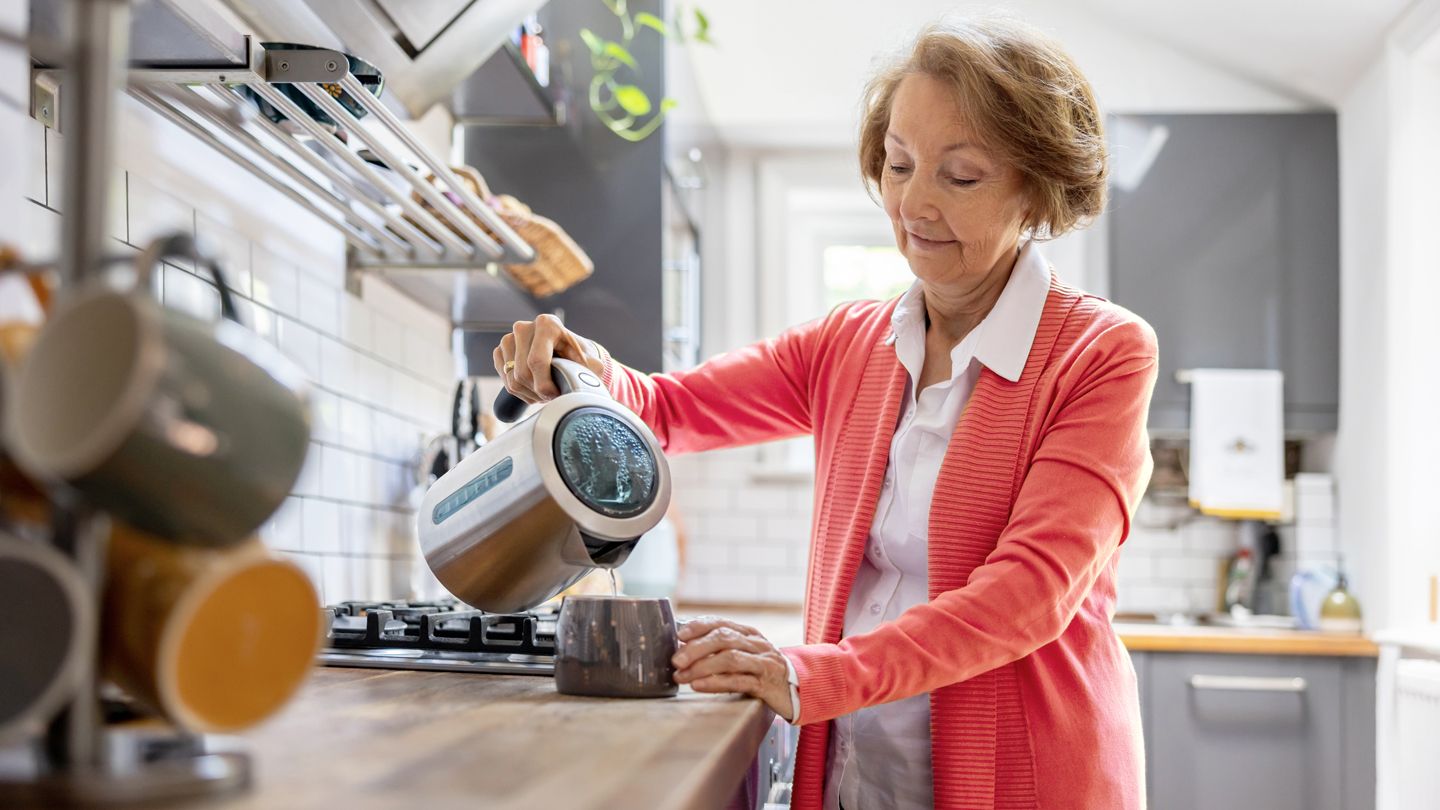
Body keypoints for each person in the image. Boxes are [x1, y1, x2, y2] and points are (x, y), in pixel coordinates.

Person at [496, 16, 1156, 810]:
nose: (913, 202)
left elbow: (1029, 593)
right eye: (899, 164)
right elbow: (668, 408)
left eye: (962, 175)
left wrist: (812, 671)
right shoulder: (852, 341)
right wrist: (581, 368)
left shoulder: (1102, 352)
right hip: (859, 773)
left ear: (1039, 190)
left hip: (1028, 779)